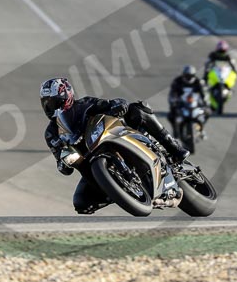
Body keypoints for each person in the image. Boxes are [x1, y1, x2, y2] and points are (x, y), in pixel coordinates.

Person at [40, 77, 189, 214]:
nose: (50, 107)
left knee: (138, 109)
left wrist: (118, 106)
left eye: (53, 102)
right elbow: (59, 158)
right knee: (81, 203)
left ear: (66, 96)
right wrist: (62, 163)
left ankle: (173, 147)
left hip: (110, 138)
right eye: (46, 103)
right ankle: (118, 191)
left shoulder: (84, 104)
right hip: (90, 163)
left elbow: (110, 104)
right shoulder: (51, 133)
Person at [167, 65, 209, 132]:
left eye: (190, 76)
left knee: (207, 112)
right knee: (171, 115)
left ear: (194, 75)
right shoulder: (177, 81)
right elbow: (172, 93)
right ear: (183, 75)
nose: (188, 78)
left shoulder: (198, 82)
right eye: (187, 76)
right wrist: (173, 101)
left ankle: (200, 127)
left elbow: (203, 93)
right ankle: (175, 129)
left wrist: (205, 101)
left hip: (194, 102)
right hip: (181, 102)